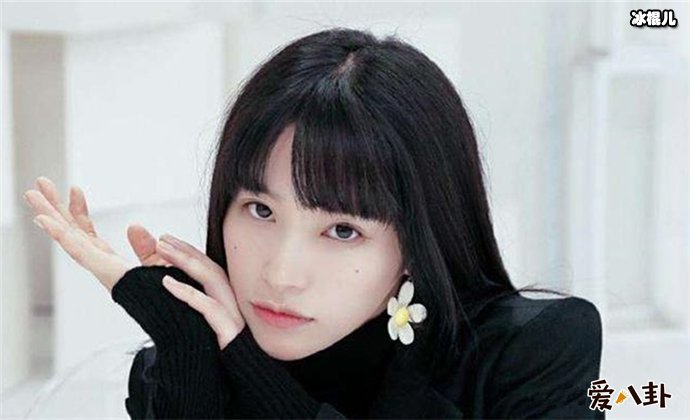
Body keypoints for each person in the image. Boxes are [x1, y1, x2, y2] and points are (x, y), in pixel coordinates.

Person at [23, 27, 603, 419]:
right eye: (261, 210)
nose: (281, 274)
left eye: (343, 230)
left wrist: (254, 373)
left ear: (416, 241)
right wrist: (190, 354)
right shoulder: (175, 370)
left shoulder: (531, 354)